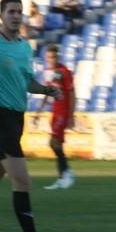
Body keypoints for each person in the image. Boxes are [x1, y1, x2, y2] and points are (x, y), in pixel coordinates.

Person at [0, 0, 63, 232]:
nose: (16, 15)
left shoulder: (25, 48)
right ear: (1, 16)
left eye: (19, 11)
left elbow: (26, 82)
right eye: (11, 11)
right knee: (22, 181)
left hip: (16, 121)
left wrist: (46, 89)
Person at [34, 45, 76, 190]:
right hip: (55, 111)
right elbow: (48, 91)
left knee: (53, 143)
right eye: (50, 57)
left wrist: (71, 116)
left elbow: (71, 94)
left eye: (55, 57)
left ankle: (65, 174)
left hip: (63, 112)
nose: (52, 59)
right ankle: (64, 175)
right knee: (57, 144)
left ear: (59, 56)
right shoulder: (49, 72)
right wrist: (39, 110)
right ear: (46, 58)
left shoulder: (65, 72)